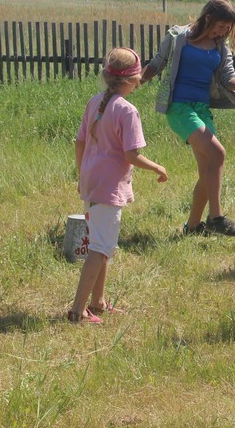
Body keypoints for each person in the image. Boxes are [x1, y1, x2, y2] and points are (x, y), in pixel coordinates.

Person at [141, 0, 235, 237]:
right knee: (218, 154)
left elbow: (227, 77)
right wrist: (133, 82)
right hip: (179, 108)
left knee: (208, 171)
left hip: (202, 110)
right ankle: (216, 218)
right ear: (208, 17)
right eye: (221, 26)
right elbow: (156, 64)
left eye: (227, 29)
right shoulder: (178, 37)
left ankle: (193, 227)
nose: (223, 32)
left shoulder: (220, 47)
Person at [70, 47, 168, 324]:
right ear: (134, 79)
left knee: (102, 244)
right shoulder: (127, 110)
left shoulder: (94, 102)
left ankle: (98, 302)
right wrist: (157, 167)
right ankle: (78, 311)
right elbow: (131, 155)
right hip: (108, 187)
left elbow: (79, 143)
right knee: (100, 248)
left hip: (91, 182)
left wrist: (81, 175)